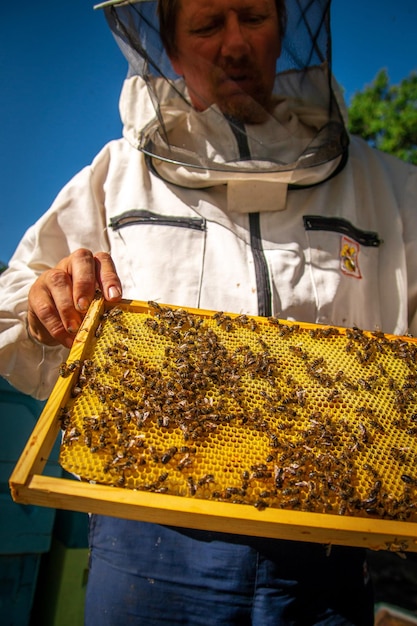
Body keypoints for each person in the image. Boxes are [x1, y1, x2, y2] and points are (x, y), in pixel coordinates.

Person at [1, 0, 417, 623]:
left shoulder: (393, 190)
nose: (234, 45)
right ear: (167, 49)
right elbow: (14, 313)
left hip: (331, 555)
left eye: (252, 17)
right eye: (205, 25)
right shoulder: (115, 179)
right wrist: (43, 310)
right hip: (145, 545)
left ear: (286, 29)